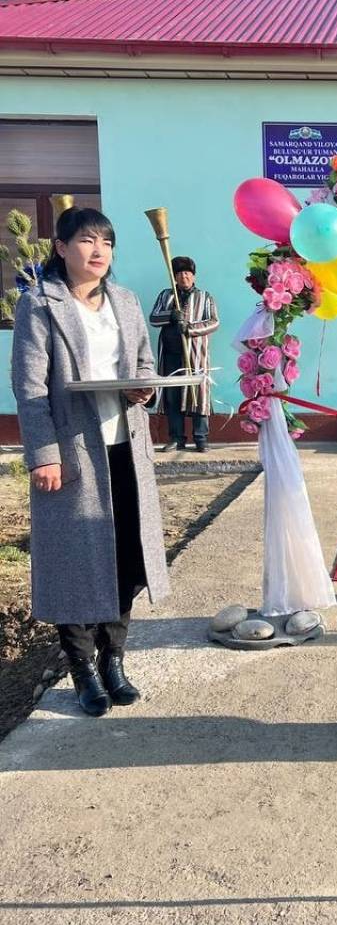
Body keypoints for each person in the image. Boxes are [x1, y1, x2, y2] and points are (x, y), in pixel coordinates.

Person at [12, 207, 171, 717]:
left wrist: (143, 389)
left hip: (125, 446)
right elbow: (30, 389)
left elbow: (143, 362)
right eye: (86, 240)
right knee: (75, 561)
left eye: (106, 241)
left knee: (125, 555)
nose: (98, 250)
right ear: (61, 248)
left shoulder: (125, 301)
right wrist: (43, 455)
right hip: (73, 451)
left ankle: (113, 658)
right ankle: (82, 667)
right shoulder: (41, 304)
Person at [149, 256, 219, 451]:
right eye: (179, 273)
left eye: (187, 273)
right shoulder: (166, 296)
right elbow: (153, 318)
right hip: (170, 355)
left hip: (195, 356)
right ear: (174, 277)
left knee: (198, 394)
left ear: (193, 276)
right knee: (172, 396)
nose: (184, 277)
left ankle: (201, 438)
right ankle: (176, 438)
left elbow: (214, 322)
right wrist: (171, 315)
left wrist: (190, 328)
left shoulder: (205, 297)